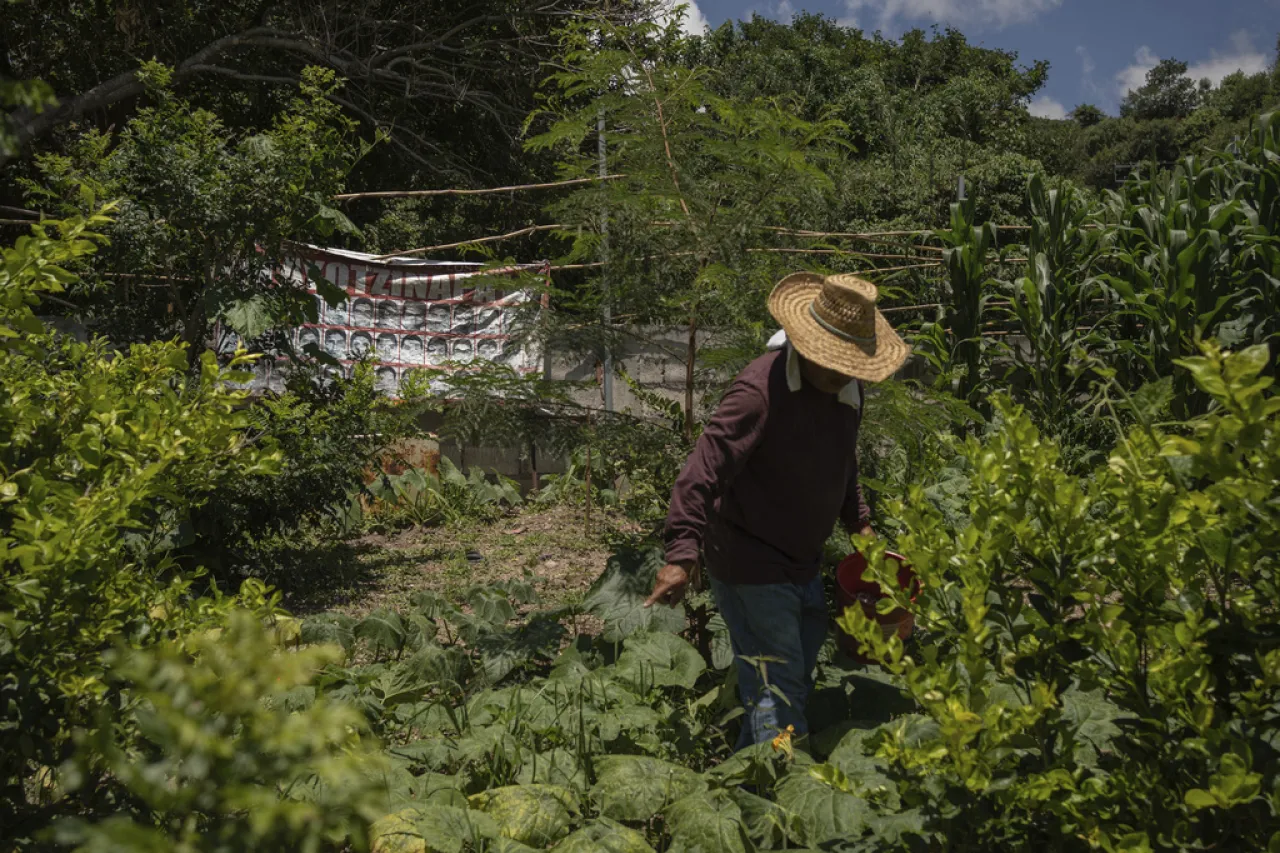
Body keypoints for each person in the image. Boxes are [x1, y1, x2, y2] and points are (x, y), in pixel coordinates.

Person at [643, 271, 910, 750]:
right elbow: (701, 470)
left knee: (790, 676)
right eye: (833, 364)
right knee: (779, 686)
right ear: (805, 345)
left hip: (802, 559)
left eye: (850, 365)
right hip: (749, 558)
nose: (841, 373)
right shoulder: (759, 392)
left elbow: (843, 461)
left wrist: (860, 523)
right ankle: (779, 793)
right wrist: (680, 554)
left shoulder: (847, 392)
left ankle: (753, 773)